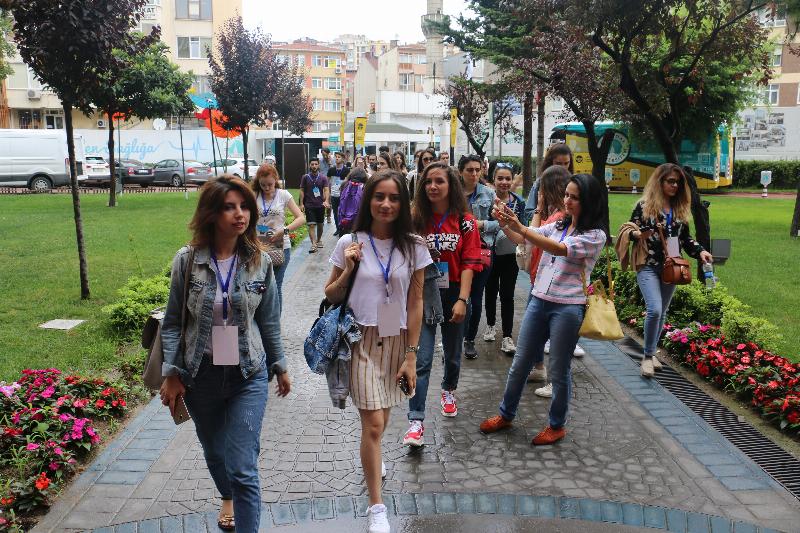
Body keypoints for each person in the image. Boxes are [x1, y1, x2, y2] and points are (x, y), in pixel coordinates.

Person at [160, 176, 291, 533]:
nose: (240, 214)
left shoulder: (259, 262)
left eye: (244, 206)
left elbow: (269, 320)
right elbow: (172, 322)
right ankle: (226, 496)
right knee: (216, 453)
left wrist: (280, 365)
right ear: (211, 213)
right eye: (229, 207)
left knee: (243, 466)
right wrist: (171, 372)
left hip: (248, 374)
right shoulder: (187, 261)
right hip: (199, 376)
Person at [325, 170, 430, 533]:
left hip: (397, 338)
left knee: (382, 421)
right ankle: (376, 506)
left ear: (403, 203)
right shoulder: (349, 242)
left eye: (394, 198)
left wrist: (412, 355)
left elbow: (415, 301)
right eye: (379, 197)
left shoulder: (414, 246)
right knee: (372, 423)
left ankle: (375, 455)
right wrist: (349, 267)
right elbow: (331, 295)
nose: (386, 204)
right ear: (368, 199)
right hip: (360, 340)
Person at [479, 174, 607, 446]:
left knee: (559, 371)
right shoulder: (559, 224)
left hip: (568, 307)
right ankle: (506, 414)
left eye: (574, 197)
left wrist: (520, 227)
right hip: (539, 300)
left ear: (590, 201)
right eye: (567, 195)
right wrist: (505, 222)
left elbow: (560, 250)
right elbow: (526, 239)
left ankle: (556, 425)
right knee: (520, 363)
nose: (567, 201)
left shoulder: (595, 235)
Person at [404, 162, 482, 446]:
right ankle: (416, 421)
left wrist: (462, 299)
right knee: (421, 360)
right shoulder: (415, 219)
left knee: (452, 355)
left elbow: (470, 263)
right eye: (428, 182)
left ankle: (449, 388)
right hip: (423, 296)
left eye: (439, 181)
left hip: (454, 297)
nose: (432, 186)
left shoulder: (465, 221)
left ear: (451, 186)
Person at [629, 163, 713, 377]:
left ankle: (651, 353)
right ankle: (647, 356)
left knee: (662, 312)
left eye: (678, 182)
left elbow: (685, 238)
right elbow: (630, 229)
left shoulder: (679, 209)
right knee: (655, 309)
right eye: (670, 181)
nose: (675, 185)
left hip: (672, 266)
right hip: (647, 264)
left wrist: (700, 251)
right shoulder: (644, 205)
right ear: (660, 182)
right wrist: (638, 235)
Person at [500, 166, 571, 396]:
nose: (538, 192)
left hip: (552, 284)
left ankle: (554, 380)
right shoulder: (552, 215)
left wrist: (537, 208)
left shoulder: (562, 218)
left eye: (541, 189)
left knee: (549, 336)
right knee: (537, 333)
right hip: (539, 280)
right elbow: (526, 238)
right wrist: (505, 224)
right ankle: (540, 368)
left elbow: (532, 235)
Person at [482, 162, 525, 354]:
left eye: (508, 178)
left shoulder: (518, 202)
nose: (504, 182)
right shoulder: (486, 200)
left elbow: (522, 228)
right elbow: (482, 225)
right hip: (489, 253)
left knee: (507, 295)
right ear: (494, 180)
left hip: (510, 254)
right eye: (500, 178)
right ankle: (490, 324)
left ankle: (507, 336)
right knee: (490, 291)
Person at [459, 154, 497, 360]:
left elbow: (501, 223)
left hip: (481, 252)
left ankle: (469, 339)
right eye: (469, 170)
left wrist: (481, 224)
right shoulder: (452, 193)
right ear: (461, 172)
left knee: (475, 297)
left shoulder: (488, 194)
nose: (474, 174)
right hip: (456, 252)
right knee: (457, 295)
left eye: (477, 170)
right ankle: (455, 336)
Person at [251, 164, 305, 309]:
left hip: (280, 247)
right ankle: (262, 320)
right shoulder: (254, 194)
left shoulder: (283, 195)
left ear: (276, 179)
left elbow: (301, 218)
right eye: (263, 185)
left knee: (275, 286)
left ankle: (275, 326)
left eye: (270, 184)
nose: (267, 188)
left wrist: (285, 230)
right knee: (259, 286)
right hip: (259, 246)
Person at [524, 143, 574, 223]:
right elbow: (527, 212)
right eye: (558, 163)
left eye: (566, 163)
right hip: (543, 229)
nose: (563, 167)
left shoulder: (574, 182)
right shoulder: (541, 182)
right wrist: (544, 212)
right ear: (550, 162)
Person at [298, 158, 330, 253]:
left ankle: (318, 240)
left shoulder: (323, 178)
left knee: (320, 225)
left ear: (318, 165)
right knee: (311, 225)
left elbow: (326, 189)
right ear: (309, 165)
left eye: (316, 164)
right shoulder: (305, 177)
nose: (314, 166)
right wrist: (301, 204)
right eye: (312, 164)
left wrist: (327, 201)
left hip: (320, 205)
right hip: (309, 205)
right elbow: (302, 191)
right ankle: (313, 244)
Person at [338, 167, 368, 234]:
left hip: (345, 219)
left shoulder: (345, 184)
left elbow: (341, 201)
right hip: (359, 219)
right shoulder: (366, 186)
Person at [327, 152, 350, 237]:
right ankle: (338, 228)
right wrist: (328, 194)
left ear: (343, 159)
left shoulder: (347, 170)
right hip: (333, 195)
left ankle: (343, 228)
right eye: (336, 157)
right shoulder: (331, 170)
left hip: (343, 195)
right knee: (335, 213)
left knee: (342, 212)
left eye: (339, 157)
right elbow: (327, 183)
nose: (337, 158)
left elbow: (348, 182)